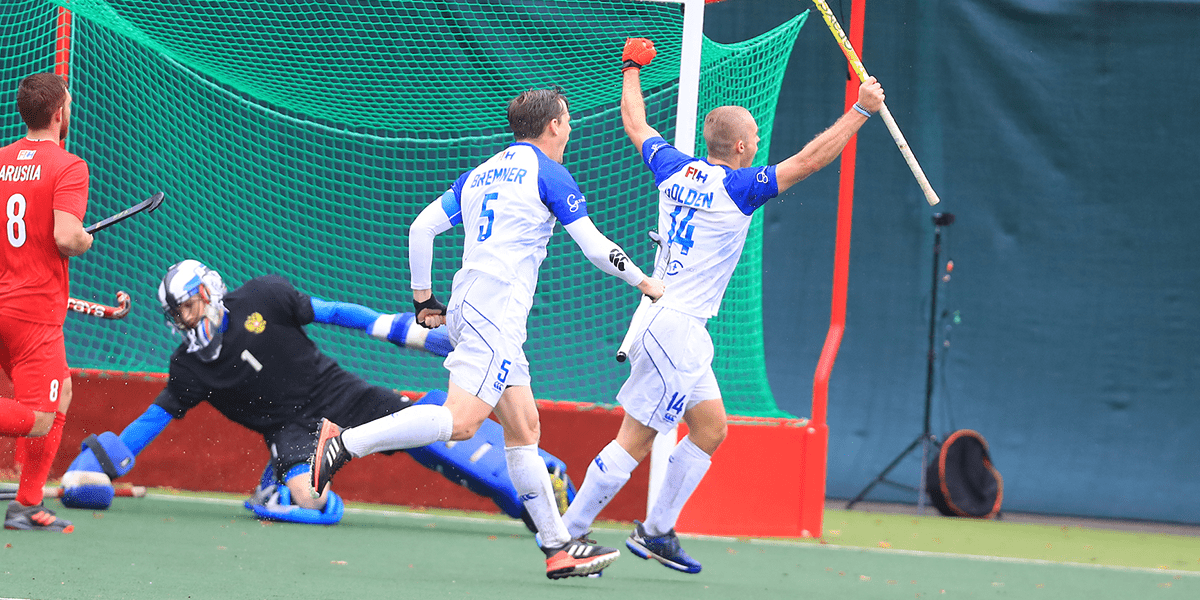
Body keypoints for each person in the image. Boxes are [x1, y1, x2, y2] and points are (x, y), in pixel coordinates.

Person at [558, 38, 886, 574]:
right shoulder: (740, 187)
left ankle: (656, 531)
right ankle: (567, 535)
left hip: (673, 325)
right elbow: (808, 161)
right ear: (739, 147)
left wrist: (631, 67)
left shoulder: (673, 168)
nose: (758, 142)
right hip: (675, 328)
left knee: (711, 428)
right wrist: (860, 111)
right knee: (636, 438)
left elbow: (636, 123)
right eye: (754, 136)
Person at [311, 87, 665, 579]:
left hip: (471, 305)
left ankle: (558, 546)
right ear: (553, 125)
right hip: (495, 312)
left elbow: (420, 228)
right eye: (567, 120)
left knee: (524, 429)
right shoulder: (548, 171)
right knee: (461, 423)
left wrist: (423, 300)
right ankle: (345, 441)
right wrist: (645, 282)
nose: (570, 128)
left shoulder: (480, 172)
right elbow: (593, 246)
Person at [62, 259, 574, 528]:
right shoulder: (189, 367)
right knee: (311, 501)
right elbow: (155, 418)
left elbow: (337, 313)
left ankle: (535, 489)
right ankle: (282, 484)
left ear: (207, 293)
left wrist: (415, 335)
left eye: (187, 308)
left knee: (431, 431)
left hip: (341, 393)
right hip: (290, 430)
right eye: (177, 315)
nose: (184, 321)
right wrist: (104, 462)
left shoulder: (262, 296)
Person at [0, 73, 93, 533]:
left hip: (4, 305)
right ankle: (25, 505)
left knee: (63, 391)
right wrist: (84, 239)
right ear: (59, 113)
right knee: (39, 419)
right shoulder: (68, 166)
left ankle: (27, 504)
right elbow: (67, 237)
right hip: (33, 314)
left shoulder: (1, 160)